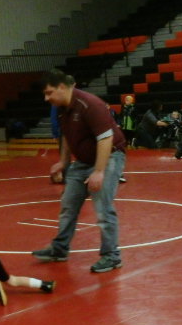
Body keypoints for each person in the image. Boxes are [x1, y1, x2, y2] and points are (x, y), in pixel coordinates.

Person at [32, 69, 126, 273]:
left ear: (63, 87)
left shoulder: (90, 105)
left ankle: (111, 256)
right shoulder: (61, 107)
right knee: (68, 204)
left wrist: (99, 171)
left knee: (102, 207)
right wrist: (64, 162)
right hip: (83, 161)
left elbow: (106, 138)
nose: (46, 98)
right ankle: (60, 248)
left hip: (108, 156)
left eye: (49, 93)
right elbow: (66, 135)